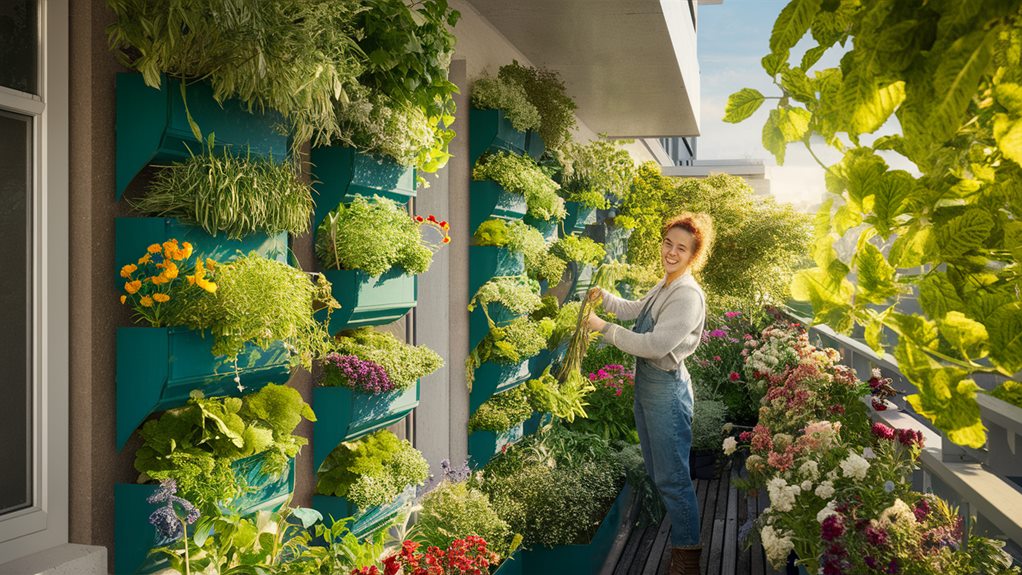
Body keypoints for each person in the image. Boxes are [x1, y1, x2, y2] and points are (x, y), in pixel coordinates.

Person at [585, 212, 714, 575]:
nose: (671, 252)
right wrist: (605, 298)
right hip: (648, 386)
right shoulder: (667, 284)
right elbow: (636, 310)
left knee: (673, 479)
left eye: (681, 248)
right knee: (661, 473)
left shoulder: (687, 295)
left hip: (665, 391)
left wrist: (603, 328)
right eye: (668, 243)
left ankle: (687, 559)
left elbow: (657, 345)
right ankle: (683, 546)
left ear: (693, 255)